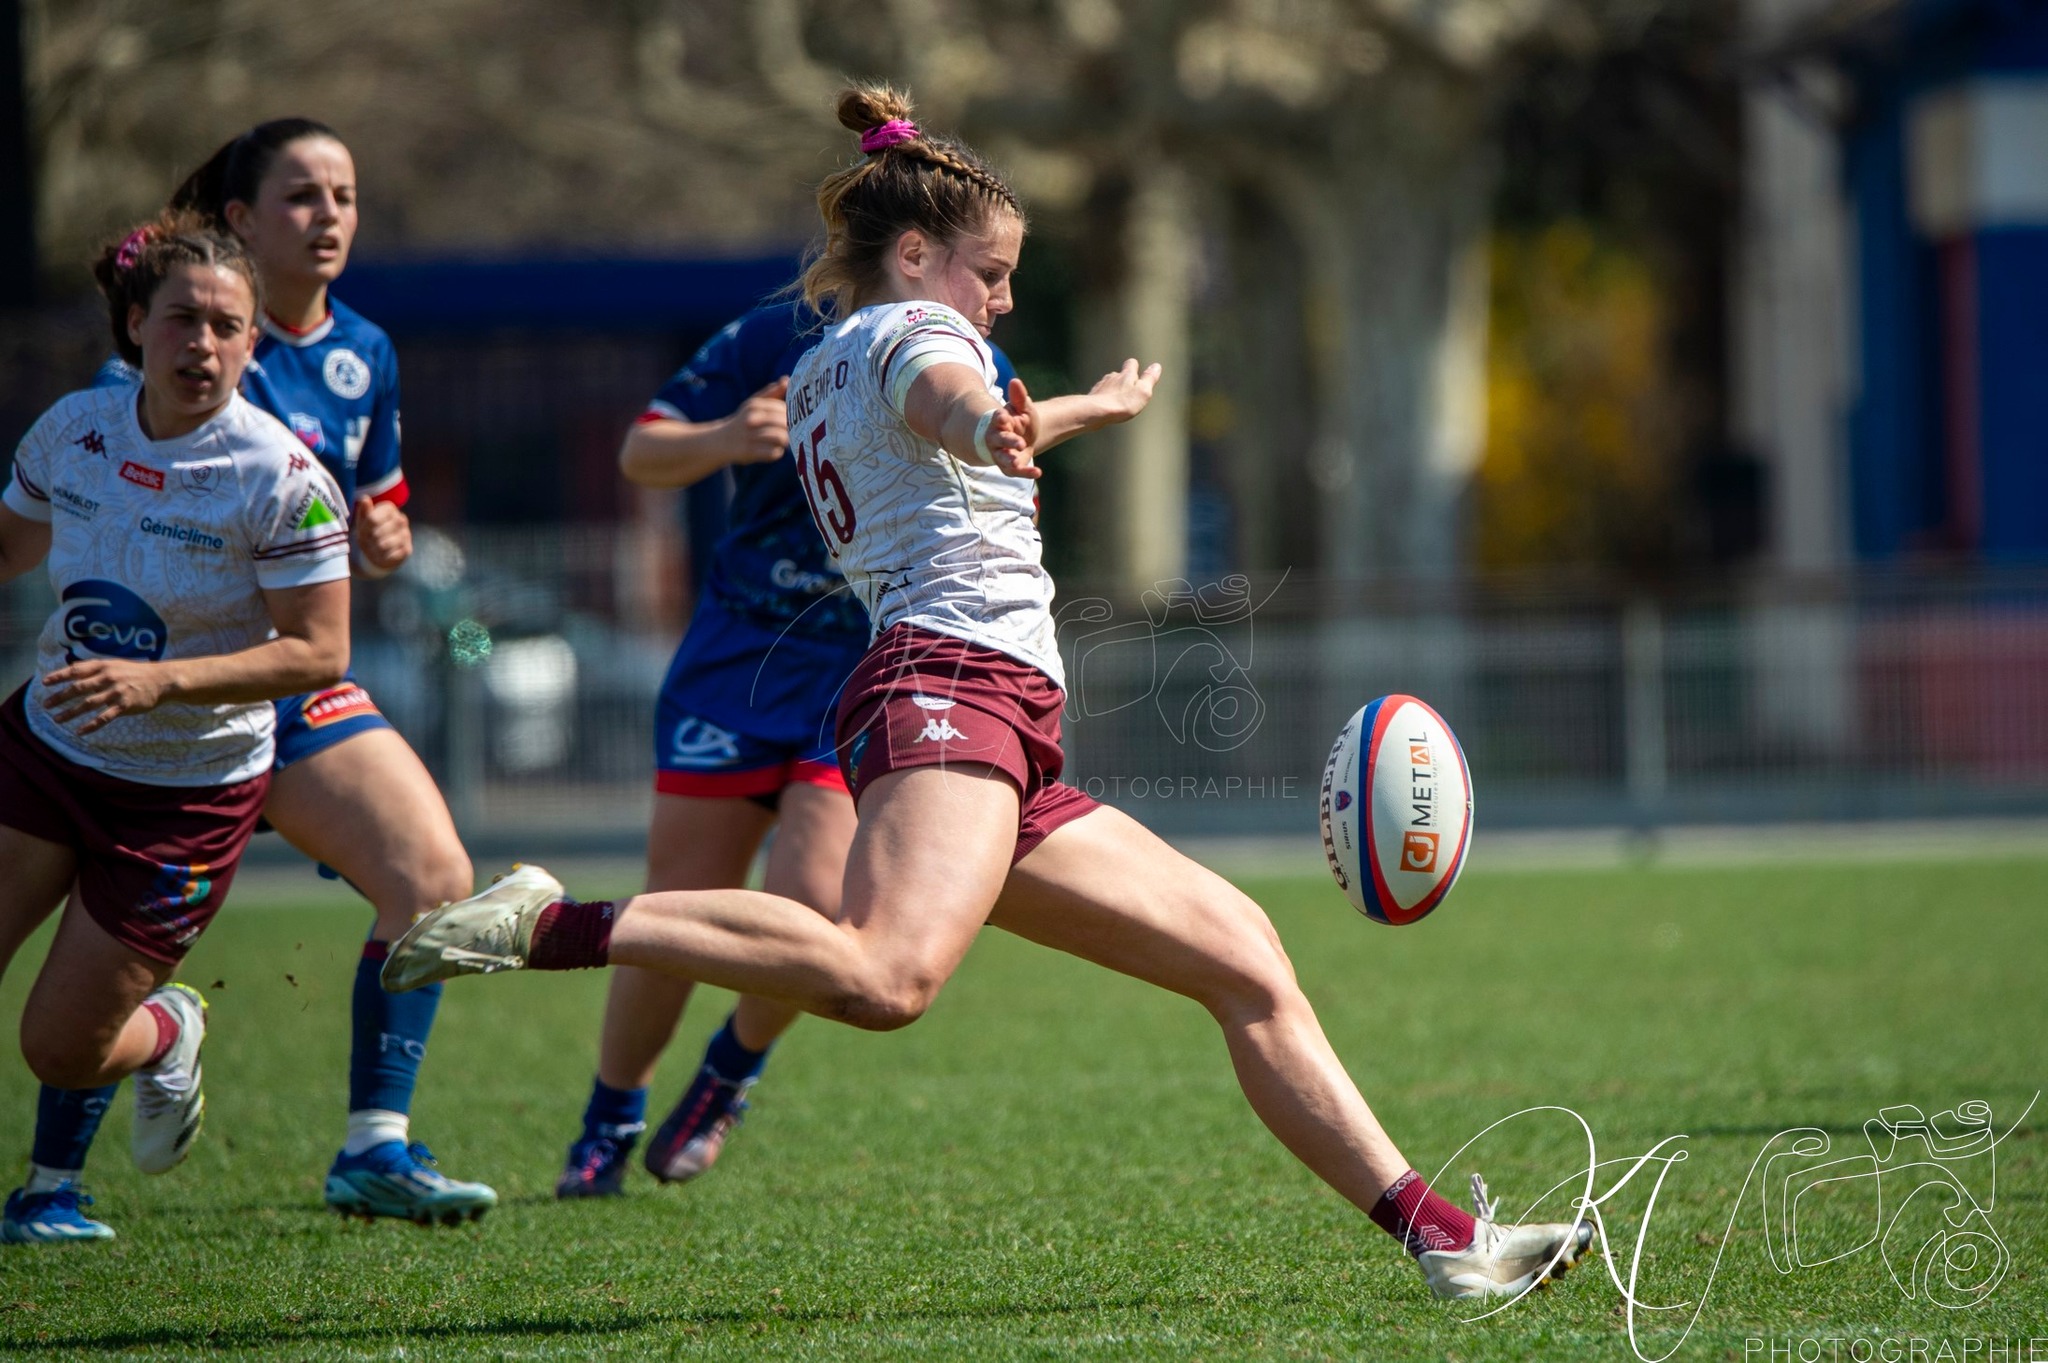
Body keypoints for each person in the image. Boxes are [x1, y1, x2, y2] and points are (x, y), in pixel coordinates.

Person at [387, 85, 1592, 1300]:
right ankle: (552, 924)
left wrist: (1077, 412)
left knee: (1245, 962)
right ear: (914, 255)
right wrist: (990, 424)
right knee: (884, 977)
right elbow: (952, 401)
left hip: (987, 714)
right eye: (990, 272)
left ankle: (1444, 1242)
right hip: (946, 686)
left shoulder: (824, 363)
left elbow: (964, 426)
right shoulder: (919, 341)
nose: (1003, 299)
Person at [86, 118, 494, 1223]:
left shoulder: (366, 347)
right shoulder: (178, 338)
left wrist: (388, 536)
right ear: (238, 218)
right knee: (106, 952)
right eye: (304, 196)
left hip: (295, 679)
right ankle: (48, 1186)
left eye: (345, 197)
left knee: (432, 880)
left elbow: (379, 500)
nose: (329, 218)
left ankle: (376, 1144)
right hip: (157, 693)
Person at [557, 302, 1016, 1197]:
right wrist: (728, 434)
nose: (991, 294)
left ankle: (731, 1068)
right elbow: (641, 452)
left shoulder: (955, 350)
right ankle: (608, 1116)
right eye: (984, 268)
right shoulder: (772, 333)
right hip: (739, 650)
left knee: (815, 900)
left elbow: (987, 455)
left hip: (861, 658)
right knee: (679, 908)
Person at [0, 215, 353, 1243]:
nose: (203, 344)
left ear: (254, 344)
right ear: (134, 327)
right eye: (182, 320)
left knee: (57, 1048)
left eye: (227, 326)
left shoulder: (281, 479)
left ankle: (167, 1030)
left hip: (184, 798)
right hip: (46, 749)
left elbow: (319, 653)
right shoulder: (74, 430)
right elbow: (8, 546)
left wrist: (165, 683)